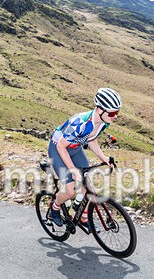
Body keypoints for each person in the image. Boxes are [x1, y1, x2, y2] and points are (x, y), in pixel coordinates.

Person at [48, 87, 121, 227]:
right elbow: (61, 147)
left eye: (117, 112)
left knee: (88, 187)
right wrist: (73, 170)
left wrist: (103, 157)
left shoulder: (102, 122)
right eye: (112, 112)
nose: (115, 116)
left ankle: (83, 217)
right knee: (70, 190)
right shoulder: (80, 122)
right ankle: (54, 208)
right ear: (100, 110)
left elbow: (91, 139)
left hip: (75, 149)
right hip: (58, 149)